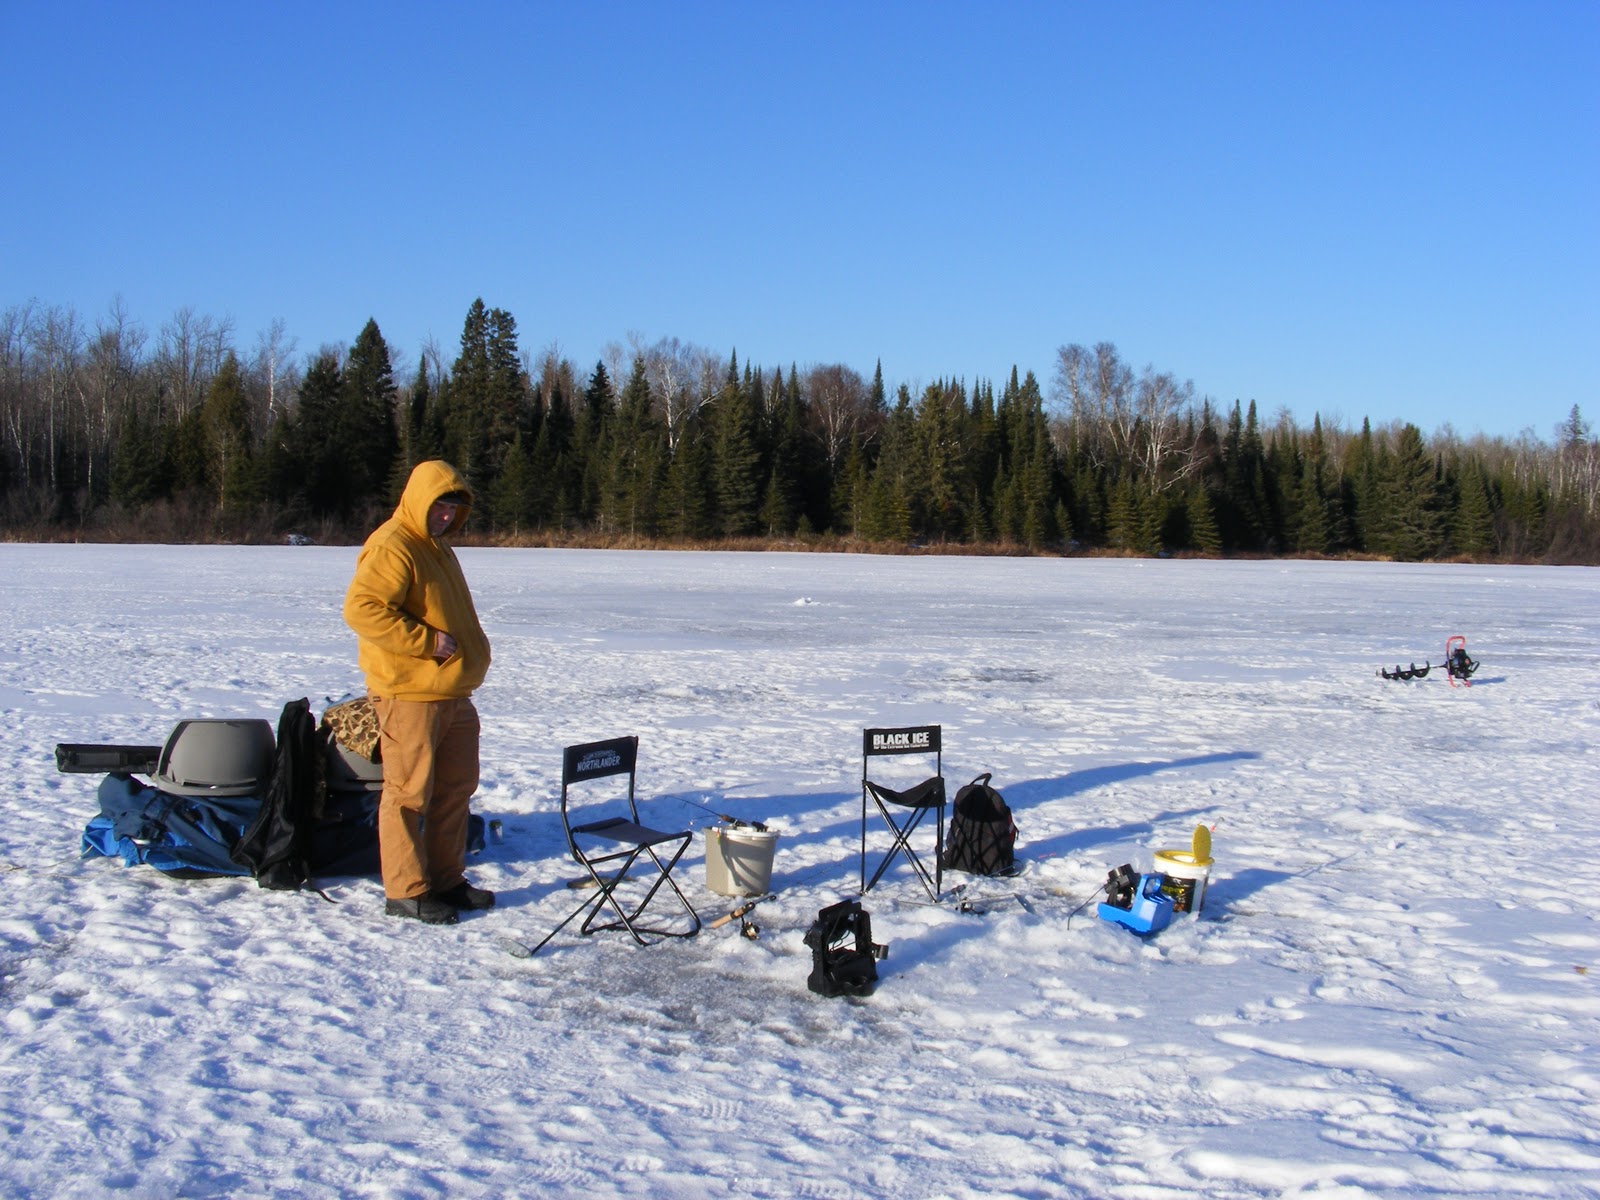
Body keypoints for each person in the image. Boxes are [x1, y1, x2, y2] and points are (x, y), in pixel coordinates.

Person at [344, 459, 494, 924]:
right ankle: (406, 891)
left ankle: (446, 879)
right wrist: (426, 642)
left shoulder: (438, 548)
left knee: (455, 790)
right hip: (409, 693)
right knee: (408, 795)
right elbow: (363, 609)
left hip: (452, 693)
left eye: (453, 508)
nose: (446, 515)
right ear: (417, 500)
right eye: (439, 506)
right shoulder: (395, 544)